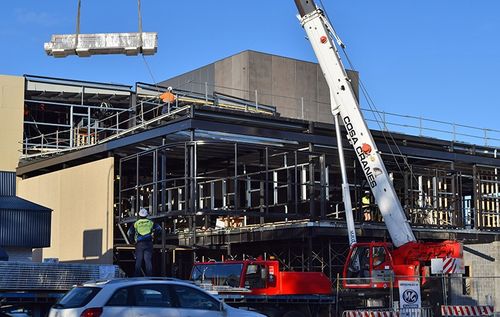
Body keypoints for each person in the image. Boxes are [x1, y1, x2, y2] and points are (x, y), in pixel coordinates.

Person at [127, 208, 161, 277]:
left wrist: (132, 241)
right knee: (148, 261)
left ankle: (136, 277)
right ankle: (149, 277)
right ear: (147, 215)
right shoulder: (151, 222)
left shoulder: (136, 223)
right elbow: (159, 229)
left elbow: (129, 233)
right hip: (148, 243)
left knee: (138, 261)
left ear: (139, 215)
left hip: (139, 244)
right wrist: (155, 238)